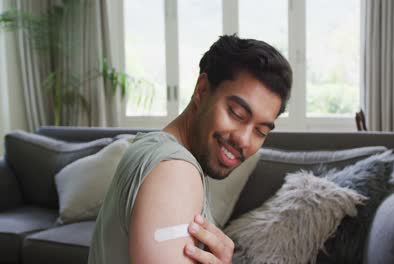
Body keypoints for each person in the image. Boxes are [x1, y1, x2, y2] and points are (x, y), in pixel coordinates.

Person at [88, 34, 292, 264]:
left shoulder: (150, 147)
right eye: (237, 113)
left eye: (260, 132)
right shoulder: (175, 171)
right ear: (202, 90)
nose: (244, 140)